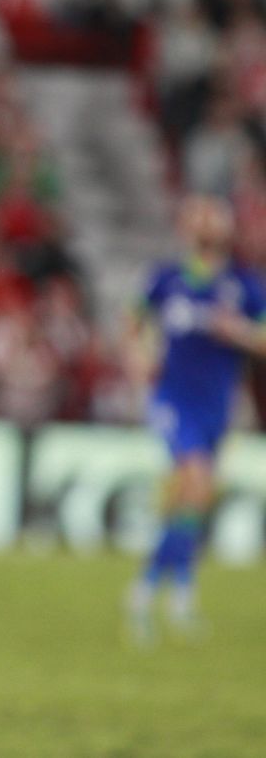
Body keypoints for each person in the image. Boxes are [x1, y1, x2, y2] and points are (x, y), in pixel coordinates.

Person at [123, 194, 266, 642]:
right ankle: (146, 592)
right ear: (186, 227)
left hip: (216, 407)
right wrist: (140, 359)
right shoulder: (165, 278)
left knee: (193, 500)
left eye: (213, 216)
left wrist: (237, 332)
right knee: (196, 482)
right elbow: (132, 323)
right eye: (197, 215)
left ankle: (176, 592)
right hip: (173, 399)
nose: (205, 223)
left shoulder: (244, 285)